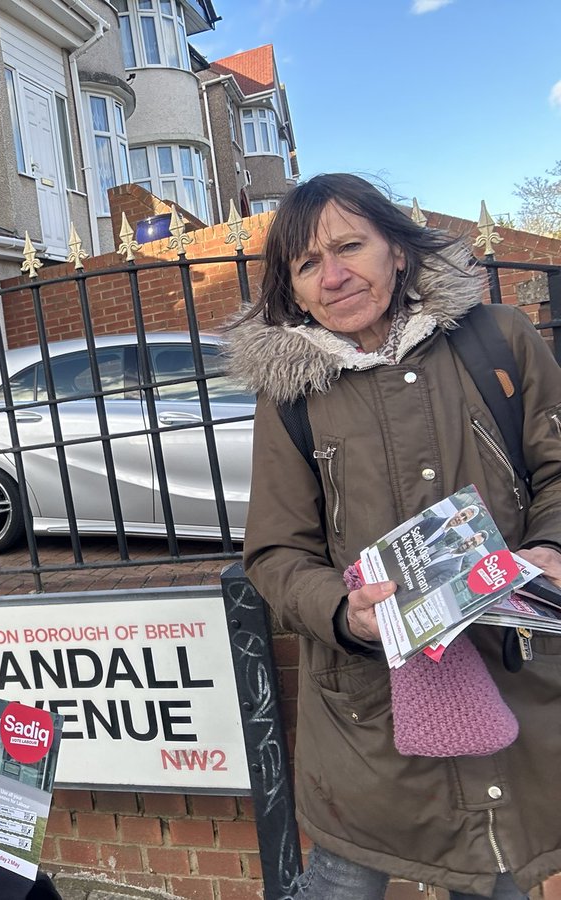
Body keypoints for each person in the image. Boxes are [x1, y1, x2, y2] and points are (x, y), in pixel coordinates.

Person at [228, 173, 561, 899]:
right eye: (308, 263)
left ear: (398, 253)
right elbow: (276, 554)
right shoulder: (290, 398)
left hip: (511, 675)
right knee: (343, 877)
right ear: (294, 286)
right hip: (367, 707)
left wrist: (551, 548)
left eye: (350, 246)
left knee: (496, 872)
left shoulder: (499, 341)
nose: (334, 274)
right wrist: (342, 612)